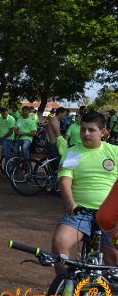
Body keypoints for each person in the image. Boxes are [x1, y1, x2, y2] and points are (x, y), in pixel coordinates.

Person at [52, 111, 118, 273]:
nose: (85, 134)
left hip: (110, 215)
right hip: (80, 210)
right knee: (59, 243)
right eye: (83, 129)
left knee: (113, 258)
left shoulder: (114, 152)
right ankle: (66, 286)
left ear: (103, 132)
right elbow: (65, 179)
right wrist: (70, 202)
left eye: (91, 130)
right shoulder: (74, 152)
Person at [47, 107, 68, 172]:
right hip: (52, 145)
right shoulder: (54, 120)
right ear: (59, 113)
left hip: (55, 145)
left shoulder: (58, 121)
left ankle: (53, 178)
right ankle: (52, 180)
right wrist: (65, 143)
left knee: (57, 164)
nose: (64, 117)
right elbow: (58, 134)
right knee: (55, 165)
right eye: (64, 115)